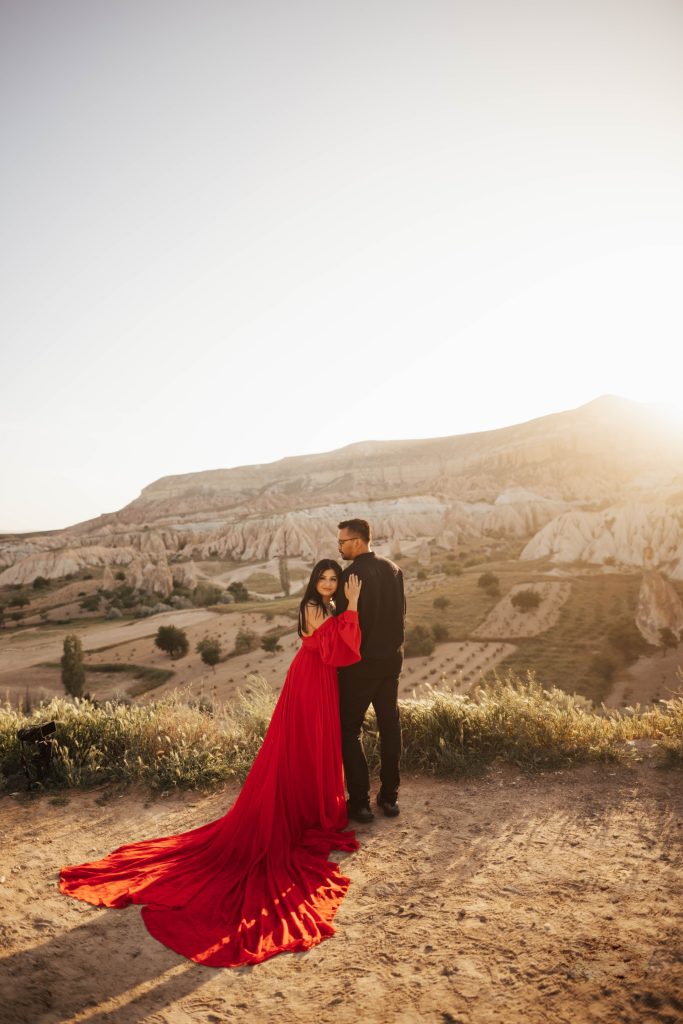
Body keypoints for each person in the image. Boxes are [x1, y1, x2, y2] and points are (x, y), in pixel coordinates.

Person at [59, 562, 363, 968]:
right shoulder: (313, 606)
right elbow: (333, 648)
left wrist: (346, 609)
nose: (328, 584)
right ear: (314, 582)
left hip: (320, 679)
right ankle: (302, 811)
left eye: (334, 580)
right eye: (324, 578)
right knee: (301, 746)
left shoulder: (325, 606)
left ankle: (310, 809)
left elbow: (340, 654)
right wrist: (354, 606)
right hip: (309, 680)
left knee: (313, 747)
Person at [334, 519, 405, 823]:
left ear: (358, 542)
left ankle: (360, 803)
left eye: (343, 542)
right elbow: (402, 614)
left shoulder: (351, 575)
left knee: (349, 731)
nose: (339, 547)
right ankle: (389, 798)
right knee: (390, 726)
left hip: (359, 666)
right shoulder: (393, 569)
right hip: (390, 662)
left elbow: (343, 623)